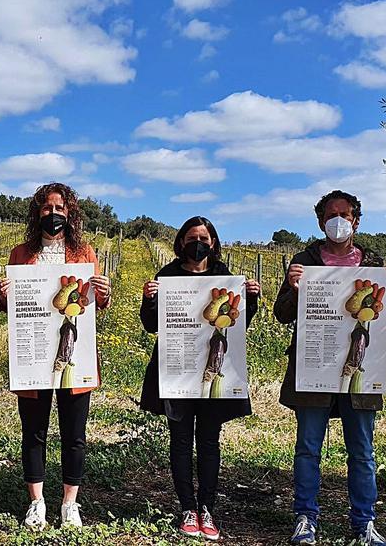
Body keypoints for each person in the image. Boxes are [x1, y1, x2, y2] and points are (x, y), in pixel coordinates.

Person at [276, 191, 386, 546]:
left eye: (346, 214)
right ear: (321, 222)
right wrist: (292, 289)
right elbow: (282, 314)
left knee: (363, 451)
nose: (339, 220)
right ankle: (306, 519)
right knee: (308, 448)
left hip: (362, 364)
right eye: (332, 215)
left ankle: (364, 522)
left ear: (357, 220)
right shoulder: (303, 261)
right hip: (313, 368)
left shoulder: (374, 263)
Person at [0, 183, 113, 530]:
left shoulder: (85, 253)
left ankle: (69, 504)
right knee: (33, 431)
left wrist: (104, 293)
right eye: (47, 208)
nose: (53, 214)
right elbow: (9, 308)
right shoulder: (21, 253)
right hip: (33, 356)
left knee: (74, 433)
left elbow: (95, 305)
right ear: (37, 213)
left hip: (75, 355)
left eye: (60, 208)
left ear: (71, 213)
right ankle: (37, 503)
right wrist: (4, 295)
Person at [139, 216, 260, 541]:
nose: (198, 243)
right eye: (192, 237)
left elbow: (239, 326)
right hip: (177, 369)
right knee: (179, 441)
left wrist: (251, 298)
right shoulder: (167, 275)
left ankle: (207, 507)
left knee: (208, 441)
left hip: (213, 371)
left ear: (213, 243)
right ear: (180, 242)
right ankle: (187, 508)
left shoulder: (225, 277)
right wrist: (149, 299)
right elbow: (151, 325)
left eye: (204, 238)